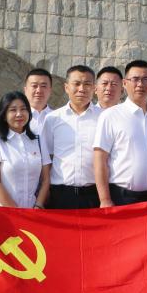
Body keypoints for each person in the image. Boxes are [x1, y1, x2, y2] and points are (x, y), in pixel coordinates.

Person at [94, 60, 147, 206]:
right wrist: (105, 199)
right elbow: (99, 160)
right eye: (135, 79)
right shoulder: (110, 116)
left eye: (145, 79)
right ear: (124, 83)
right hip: (123, 197)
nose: (140, 84)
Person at [43, 65, 103, 209]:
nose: (82, 89)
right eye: (76, 84)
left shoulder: (104, 118)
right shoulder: (53, 118)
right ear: (66, 87)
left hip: (94, 194)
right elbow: (47, 157)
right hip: (60, 193)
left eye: (87, 84)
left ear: (94, 88)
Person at [0, 92, 50, 209]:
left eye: (23, 109)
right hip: (3, 212)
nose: (19, 114)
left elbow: (46, 179)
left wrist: (38, 205)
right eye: (13, 110)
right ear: (4, 115)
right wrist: (15, 212)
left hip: (31, 212)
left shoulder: (38, 140)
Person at [23, 68, 54, 134]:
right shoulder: (17, 117)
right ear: (25, 90)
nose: (39, 90)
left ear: (50, 90)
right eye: (34, 86)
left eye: (43, 86)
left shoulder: (58, 118)